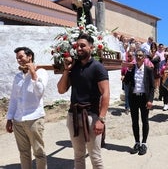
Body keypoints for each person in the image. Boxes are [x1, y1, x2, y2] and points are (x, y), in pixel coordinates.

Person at [57, 33, 109, 168]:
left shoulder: (98, 67)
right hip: (73, 115)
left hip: (91, 117)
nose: (79, 48)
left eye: (83, 46)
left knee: (95, 157)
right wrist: (66, 70)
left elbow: (106, 94)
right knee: (78, 156)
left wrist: (101, 120)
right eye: (77, 46)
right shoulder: (73, 67)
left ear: (91, 48)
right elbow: (61, 90)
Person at [6, 47, 48, 169]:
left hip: (34, 119)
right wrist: (9, 119)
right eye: (17, 58)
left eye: (21, 57)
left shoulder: (41, 72)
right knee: (24, 153)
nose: (19, 60)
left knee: (39, 153)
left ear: (29, 56)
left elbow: (40, 91)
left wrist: (33, 73)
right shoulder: (18, 77)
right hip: (18, 120)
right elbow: (14, 99)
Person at [124, 49, 154, 156]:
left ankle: (144, 143)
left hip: (144, 99)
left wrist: (150, 100)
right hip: (134, 98)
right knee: (134, 121)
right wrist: (129, 70)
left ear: (144, 57)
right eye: (137, 55)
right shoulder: (132, 69)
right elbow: (126, 82)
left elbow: (152, 87)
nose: (139, 57)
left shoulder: (149, 70)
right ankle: (137, 142)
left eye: (141, 55)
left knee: (145, 121)